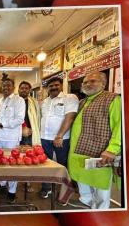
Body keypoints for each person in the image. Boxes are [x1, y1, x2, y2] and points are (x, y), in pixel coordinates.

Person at [68, 71, 122, 210]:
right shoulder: (82, 102)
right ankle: (88, 204)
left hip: (99, 152)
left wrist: (112, 149)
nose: (88, 84)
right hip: (78, 151)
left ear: (103, 84)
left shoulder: (112, 99)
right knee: (82, 182)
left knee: (100, 186)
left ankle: (101, 211)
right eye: (85, 82)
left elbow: (119, 126)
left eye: (93, 81)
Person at [0, 78, 25, 204]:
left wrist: (1, 124)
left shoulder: (18, 100)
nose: (5, 88)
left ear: (13, 87)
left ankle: (12, 192)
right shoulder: (0, 101)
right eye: (4, 86)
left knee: (12, 165)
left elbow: (19, 119)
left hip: (11, 138)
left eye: (8, 85)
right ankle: (2, 184)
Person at [39, 77, 78, 198]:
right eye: (51, 86)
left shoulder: (69, 98)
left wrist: (59, 136)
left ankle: (64, 191)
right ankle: (46, 187)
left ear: (61, 86)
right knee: (44, 164)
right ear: (47, 88)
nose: (54, 87)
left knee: (63, 165)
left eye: (56, 85)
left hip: (62, 139)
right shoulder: (45, 102)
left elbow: (70, 117)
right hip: (44, 138)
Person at [18, 81, 41, 146]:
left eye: (26, 88)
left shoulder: (34, 102)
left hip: (30, 133)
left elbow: (38, 117)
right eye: (22, 88)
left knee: (28, 153)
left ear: (30, 90)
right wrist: (22, 128)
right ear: (18, 89)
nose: (24, 90)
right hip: (16, 132)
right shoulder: (14, 102)